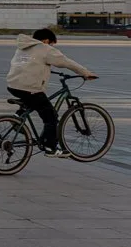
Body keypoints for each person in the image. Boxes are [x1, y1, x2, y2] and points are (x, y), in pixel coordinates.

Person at [7, 28, 98, 157]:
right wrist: (85, 73)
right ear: (46, 40)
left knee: (33, 102)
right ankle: (50, 147)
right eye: (52, 44)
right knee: (51, 117)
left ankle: (18, 116)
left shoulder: (23, 47)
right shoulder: (45, 48)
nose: (52, 47)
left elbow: (29, 64)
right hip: (30, 88)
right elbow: (65, 61)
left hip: (13, 85)